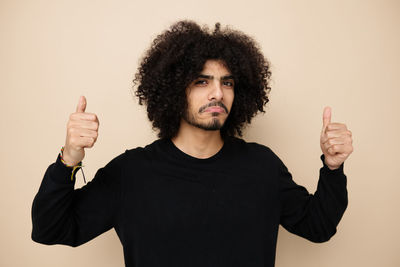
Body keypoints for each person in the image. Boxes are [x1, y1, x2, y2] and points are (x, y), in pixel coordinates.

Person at [31, 20, 353, 267]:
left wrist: (333, 167)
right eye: (202, 81)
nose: (217, 93)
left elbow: (318, 225)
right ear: (172, 91)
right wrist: (69, 158)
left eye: (226, 82)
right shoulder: (131, 173)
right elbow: (50, 228)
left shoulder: (262, 166)